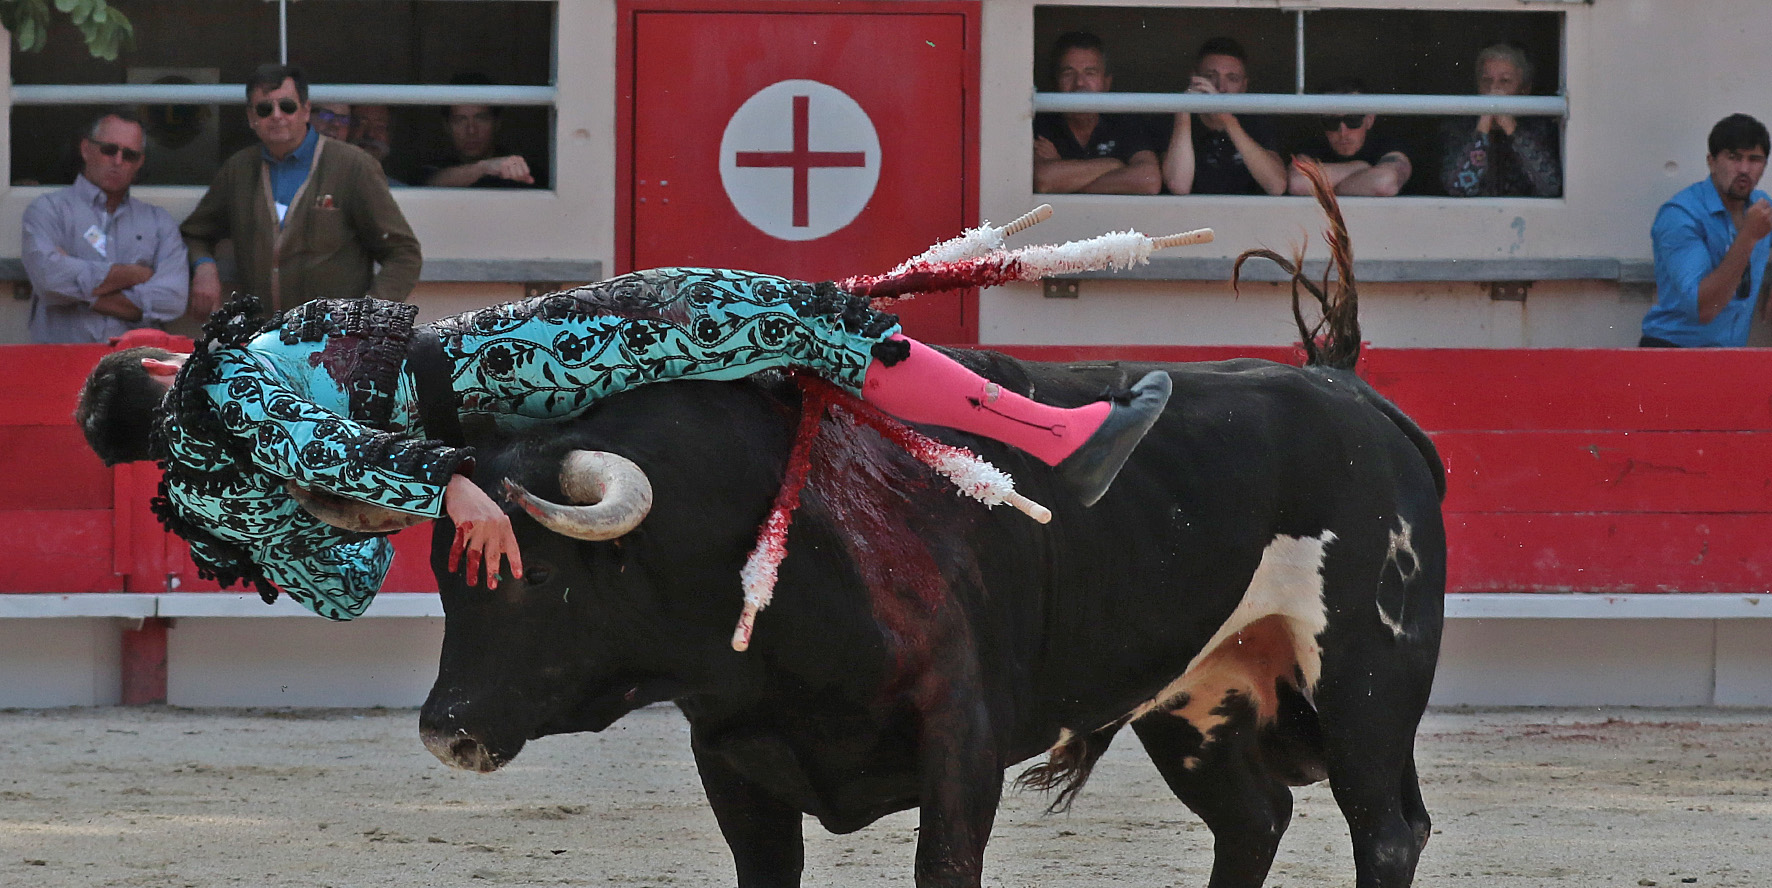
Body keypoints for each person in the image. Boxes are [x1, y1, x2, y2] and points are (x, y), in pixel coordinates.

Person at [73, 270, 1172, 621]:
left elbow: (347, 580)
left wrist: (415, 493)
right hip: (500, 368)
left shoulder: (209, 503)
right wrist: (448, 482)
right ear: (158, 366)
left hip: (496, 427)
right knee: (791, 313)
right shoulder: (216, 386)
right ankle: (1061, 436)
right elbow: (327, 447)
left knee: (777, 332)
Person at [181, 64, 422, 320]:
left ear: (305, 111)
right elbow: (196, 233)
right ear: (251, 118)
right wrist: (204, 268)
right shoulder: (239, 170)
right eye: (264, 109)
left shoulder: (352, 166)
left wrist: (367, 318)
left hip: (333, 340)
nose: (276, 116)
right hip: (264, 339)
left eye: (287, 106)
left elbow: (403, 253)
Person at [20, 110, 189, 343]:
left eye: (129, 155)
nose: (118, 161)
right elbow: (48, 280)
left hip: (133, 368)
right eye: (109, 150)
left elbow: (172, 300)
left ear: (139, 162)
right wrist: (134, 274)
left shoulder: (158, 222)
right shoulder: (48, 210)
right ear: (86, 149)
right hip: (61, 361)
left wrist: (77, 289)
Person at [1639, 114, 1772, 348]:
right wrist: (1749, 237)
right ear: (1711, 161)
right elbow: (1704, 309)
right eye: (1733, 157)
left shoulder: (1761, 205)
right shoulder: (1681, 215)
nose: (1744, 169)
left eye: (1754, 159)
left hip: (1729, 357)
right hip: (1674, 352)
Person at [1032, 31, 1161, 195]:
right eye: (1068, 73)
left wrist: (1065, 177)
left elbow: (1148, 181)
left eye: (1090, 73)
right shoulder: (1042, 120)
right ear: (1055, 81)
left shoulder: (1123, 119)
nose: (1079, 83)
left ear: (1107, 83)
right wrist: (1113, 164)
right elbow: (1043, 181)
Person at [1161, 37, 1287, 196]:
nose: (1221, 87)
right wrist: (1184, 109)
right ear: (1194, 77)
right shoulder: (1175, 118)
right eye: (1210, 76)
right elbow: (1178, 185)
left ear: (1244, 86)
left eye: (1232, 78)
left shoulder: (1255, 119)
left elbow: (1276, 186)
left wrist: (1227, 120)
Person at [1439, 43, 1561, 198]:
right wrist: (1483, 127)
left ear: (1524, 89)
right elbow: (1457, 189)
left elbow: (1550, 188)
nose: (1493, 89)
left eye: (1505, 81)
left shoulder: (1539, 127)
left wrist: (1512, 129)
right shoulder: (1460, 127)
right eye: (1486, 80)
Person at [1288, 81, 1412, 197]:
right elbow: (1297, 183)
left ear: (1369, 120)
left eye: (1353, 120)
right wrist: (1358, 167)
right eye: (1331, 121)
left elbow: (1384, 183)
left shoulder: (1387, 145)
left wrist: (1330, 188)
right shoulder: (1314, 145)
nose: (1342, 131)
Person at [423, 74, 537, 188]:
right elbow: (429, 183)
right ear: (446, 125)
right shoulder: (433, 171)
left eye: (481, 118)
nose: (471, 130)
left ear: (497, 123)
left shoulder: (521, 172)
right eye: (460, 120)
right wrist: (484, 168)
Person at [347, 103, 407, 186]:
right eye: (361, 124)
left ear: (390, 136)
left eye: (380, 127)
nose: (370, 134)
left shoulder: (404, 193)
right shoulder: (328, 184)